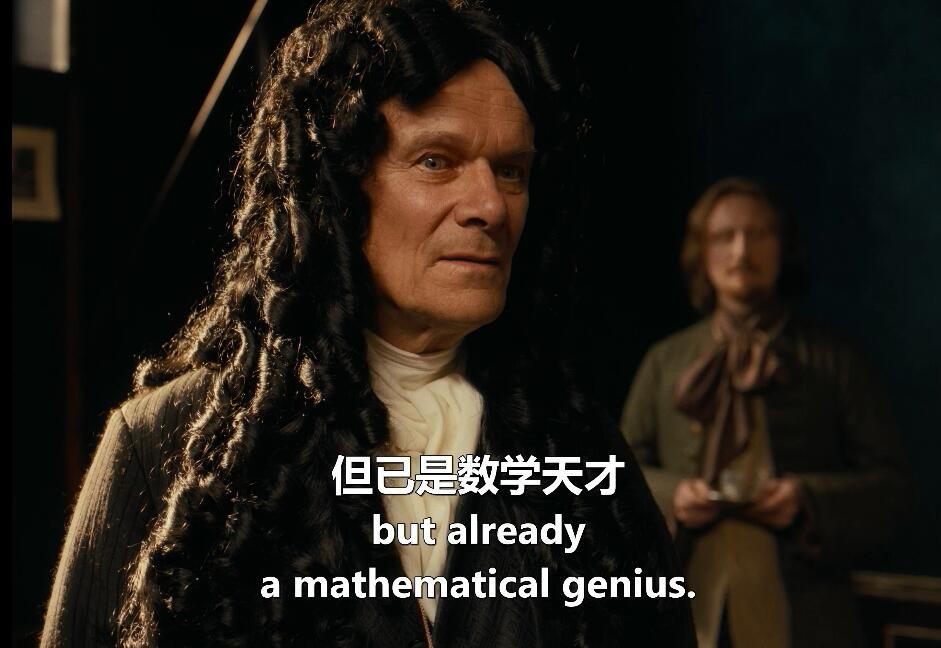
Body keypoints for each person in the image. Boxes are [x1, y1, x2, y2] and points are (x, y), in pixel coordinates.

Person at [42, 1, 694, 646]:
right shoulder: (164, 445)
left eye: (509, 171)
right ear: (337, 184)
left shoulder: (578, 446)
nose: (490, 206)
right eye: (436, 161)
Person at [620, 176, 910, 648]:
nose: (741, 251)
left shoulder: (835, 360)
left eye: (757, 234)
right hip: (683, 608)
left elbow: (891, 490)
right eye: (724, 236)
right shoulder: (665, 360)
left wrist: (806, 499)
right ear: (701, 252)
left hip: (808, 617)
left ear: (783, 247)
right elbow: (618, 471)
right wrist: (675, 496)